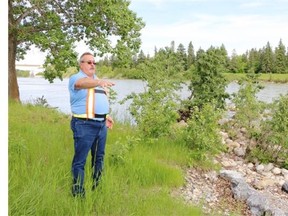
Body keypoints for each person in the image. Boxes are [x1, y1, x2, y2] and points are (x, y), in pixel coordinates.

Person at [68, 52, 115, 197]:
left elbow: (98, 100)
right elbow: (82, 84)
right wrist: (98, 81)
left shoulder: (98, 81)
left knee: (99, 158)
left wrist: (106, 115)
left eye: (94, 62)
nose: (92, 65)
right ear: (81, 64)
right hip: (84, 125)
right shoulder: (76, 78)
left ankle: (97, 188)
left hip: (101, 126)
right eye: (89, 62)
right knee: (80, 160)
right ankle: (78, 193)